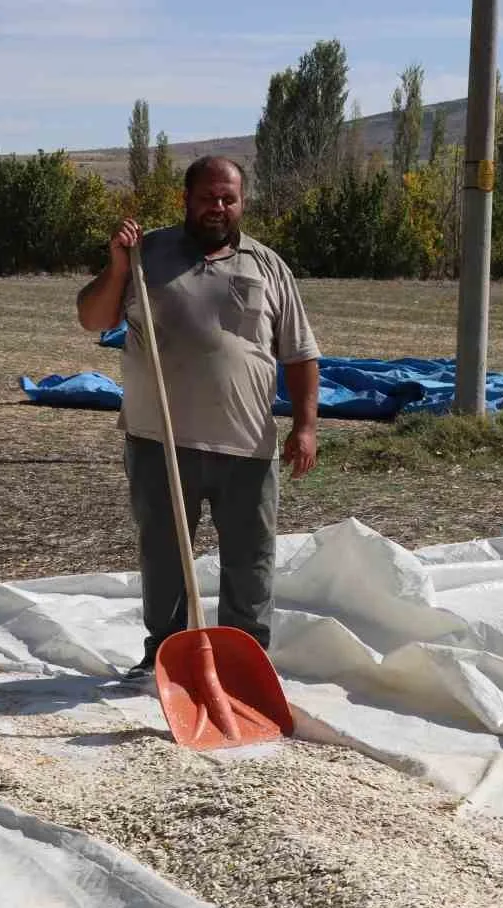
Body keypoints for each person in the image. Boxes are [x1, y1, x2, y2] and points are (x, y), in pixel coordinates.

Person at [75, 155, 321, 680]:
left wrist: (305, 426)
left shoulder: (269, 266)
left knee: (250, 562)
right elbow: (93, 317)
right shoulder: (147, 254)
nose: (218, 207)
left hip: (247, 444)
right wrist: (119, 266)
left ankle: (244, 663)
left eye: (228, 198)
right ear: (186, 198)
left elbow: (299, 354)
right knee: (163, 558)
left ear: (242, 202)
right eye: (208, 197)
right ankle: (163, 657)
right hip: (159, 439)